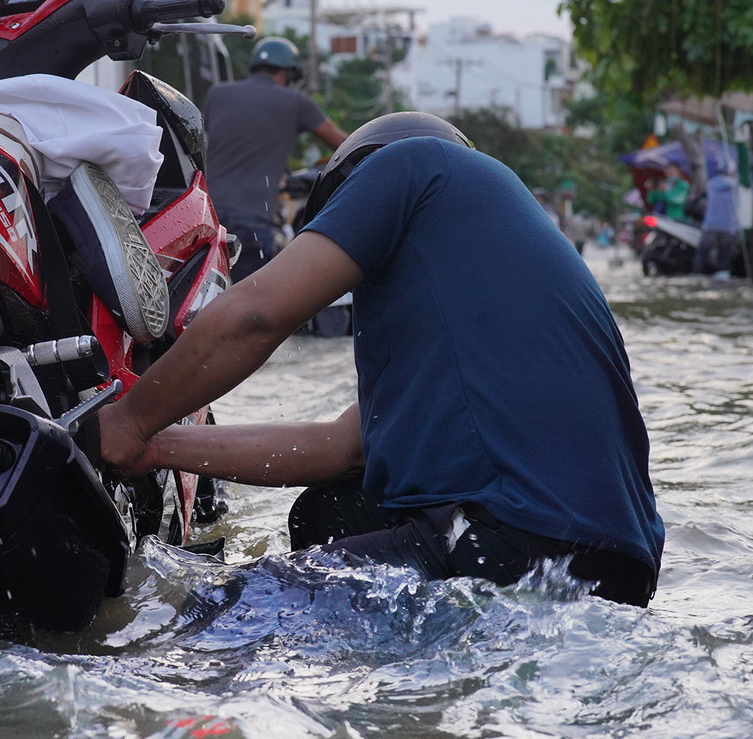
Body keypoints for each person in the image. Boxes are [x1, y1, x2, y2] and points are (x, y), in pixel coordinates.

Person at [99, 112, 664, 607]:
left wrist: (129, 419)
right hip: (616, 569)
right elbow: (339, 449)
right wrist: (156, 447)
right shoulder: (494, 254)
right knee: (329, 512)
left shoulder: (411, 168)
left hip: (517, 537)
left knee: (214, 618)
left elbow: (256, 316)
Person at [202, 37, 347, 281]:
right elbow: (346, 145)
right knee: (249, 305)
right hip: (250, 222)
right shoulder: (297, 103)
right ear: (288, 74)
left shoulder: (217, 94)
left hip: (206, 215)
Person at [694, 164, 740, 276]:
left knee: (702, 254)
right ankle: (722, 275)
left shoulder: (711, 184)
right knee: (724, 256)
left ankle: (696, 274)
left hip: (710, 226)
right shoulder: (736, 186)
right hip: (728, 227)